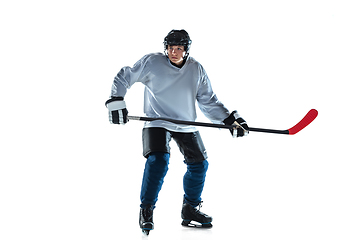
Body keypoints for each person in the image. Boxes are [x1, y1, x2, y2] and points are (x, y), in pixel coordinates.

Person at [106, 29, 249, 234]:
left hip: (185, 123)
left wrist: (229, 120)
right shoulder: (152, 62)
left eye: (179, 48)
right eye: (171, 47)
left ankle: (190, 209)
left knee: (199, 165)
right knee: (158, 161)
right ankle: (146, 210)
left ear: (186, 50)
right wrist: (116, 101)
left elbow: (208, 100)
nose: (174, 52)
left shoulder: (196, 69)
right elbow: (125, 76)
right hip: (157, 121)